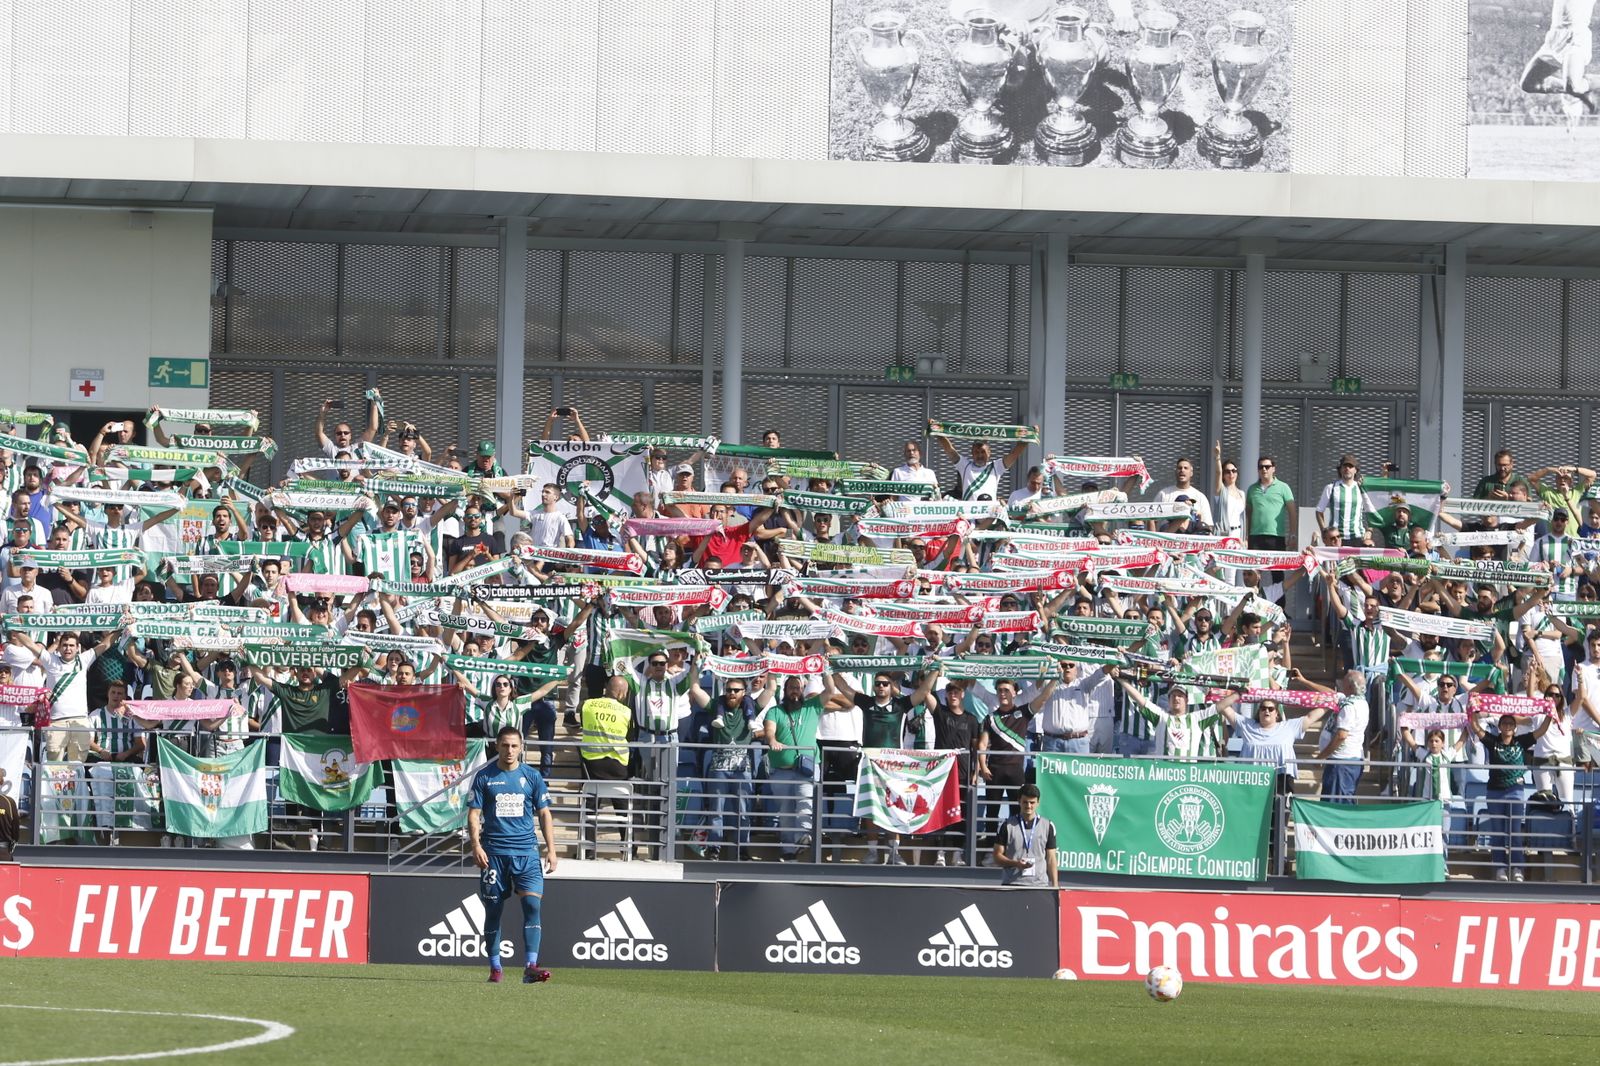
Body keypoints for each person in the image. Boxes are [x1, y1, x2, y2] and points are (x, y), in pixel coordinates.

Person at [468, 726, 557, 984]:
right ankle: (495, 968)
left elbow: (544, 814)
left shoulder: (531, 776)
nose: (509, 750)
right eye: (505, 745)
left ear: (521, 748)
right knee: (493, 911)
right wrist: (476, 845)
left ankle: (531, 966)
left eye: (514, 746)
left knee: (532, 905)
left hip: (527, 853)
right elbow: (474, 814)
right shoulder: (485, 777)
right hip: (494, 854)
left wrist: (551, 850)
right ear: (497, 746)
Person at [1468, 707, 1552, 882]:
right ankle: (1500, 867)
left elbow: (1542, 730)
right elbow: (1475, 727)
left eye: (1510, 723)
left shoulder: (1521, 741)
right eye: (1504, 723)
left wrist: (1550, 713)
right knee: (1498, 832)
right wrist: (1474, 709)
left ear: (1515, 728)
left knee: (1514, 832)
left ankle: (1517, 868)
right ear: (1499, 726)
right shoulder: (1493, 741)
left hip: (1515, 791)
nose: (1507, 726)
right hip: (1494, 792)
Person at [992, 783, 1058, 888]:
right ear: (1019, 801)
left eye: (1032, 802)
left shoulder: (1048, 826)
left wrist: (1055, 886)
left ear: (1038, 802)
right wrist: (1016, 864)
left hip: (1039, 885)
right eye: (1025, 802)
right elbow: (996, 856)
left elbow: (1051, 859)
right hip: (1012, 884)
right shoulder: (1007, 825)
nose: (1028, 806)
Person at [1315, 454, 1375, 543]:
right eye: (1345, 466)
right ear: (1340, 469)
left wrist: (1369, 531)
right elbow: (1319, 511)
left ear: (1355, 470)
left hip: (1358, 537)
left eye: (1350, 466)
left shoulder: (1361, 488)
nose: (1347, 469)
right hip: (1336, 538)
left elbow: (1372, 512)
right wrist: (1324, 532)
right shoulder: (1331, 487)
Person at [1156, 458, 1215, 530]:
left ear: (1191, 473)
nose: (1182, 470)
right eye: (1179, 468)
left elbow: (1208, 526)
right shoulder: (1163, 494)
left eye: (1185, 468)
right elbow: (1152, 520)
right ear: (1175, 472)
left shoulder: (1200, 497)